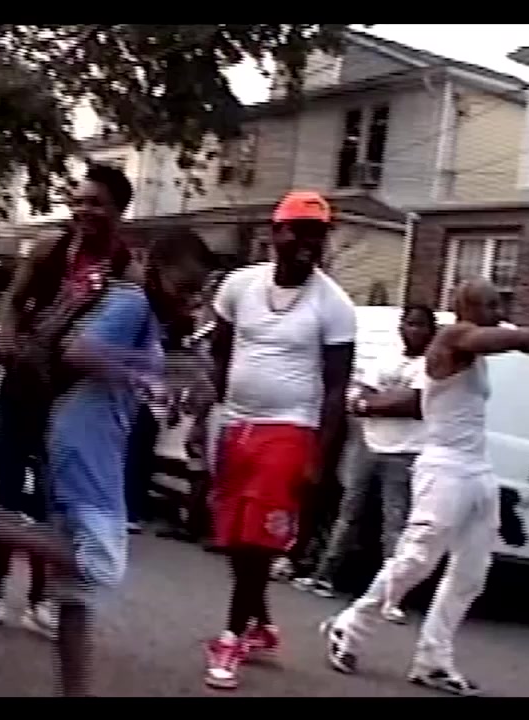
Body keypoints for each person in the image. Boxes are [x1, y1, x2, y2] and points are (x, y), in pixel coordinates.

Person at [0, 218, 213, 698]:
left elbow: (124, 372)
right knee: (103, 563)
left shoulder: (147, 318)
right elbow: (78, 351)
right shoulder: (133, 304)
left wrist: (162, 389)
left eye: (198, 292)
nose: (190, 301)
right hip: (83, 445)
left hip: (88, 442)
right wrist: (142, 377)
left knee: (76, 593)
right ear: (154, 269)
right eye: (184, 287)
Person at [321, 279, 529, 696]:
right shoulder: (452, 338)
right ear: (468, 307)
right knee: (416, 559)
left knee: (472, 572)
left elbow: (521, 342)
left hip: (476, 469)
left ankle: (433, 658)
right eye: (492, 305)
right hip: (444, 468)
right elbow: (521, 340)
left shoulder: (474, 351)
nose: (500, 313)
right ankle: (350, 625)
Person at [0, 164, 135, 636]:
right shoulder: (50, 249)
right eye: (79, 201)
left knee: (57, 506)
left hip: (71, 405)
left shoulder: (127, 273)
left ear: (119, 212)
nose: (84, 211)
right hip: (21, 388)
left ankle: (44, 600)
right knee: (5, 493)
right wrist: (10, 339)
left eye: (96, 204)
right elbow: (13, 302)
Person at [203, 190, 356, 691]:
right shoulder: (240, 285)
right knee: (233, 536)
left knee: (258, 538)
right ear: (276, 233)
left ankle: (230, 637)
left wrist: (319, 456)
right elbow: (219, 352)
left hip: (291, 429)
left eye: (319, 234)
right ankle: (261, 624)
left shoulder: (334, 305)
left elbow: (336, 388)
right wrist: (210, 412)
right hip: (236, 424)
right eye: (300, 231)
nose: (309, 242)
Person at [294, 305, 439, 619]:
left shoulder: (432, 366)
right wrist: (374, 402)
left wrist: (370, 404)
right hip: (369, 444)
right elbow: (360, 392)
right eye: (409, 323)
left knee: (394, 523)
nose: (413, 330)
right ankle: (324, 576)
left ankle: (391, 597)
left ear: (431, 331)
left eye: (420, 325)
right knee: (348, 512)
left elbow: (414, 405)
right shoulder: (387, 357)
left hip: (404, 451)